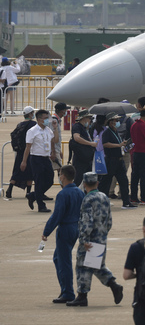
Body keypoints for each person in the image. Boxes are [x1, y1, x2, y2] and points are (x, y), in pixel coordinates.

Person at [67, 172, 124, 307]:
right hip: (101, 237)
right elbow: (109, 220)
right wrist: (104, 233)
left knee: (82, 266)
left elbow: (87, 221)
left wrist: (84, 239)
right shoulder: (104, 197)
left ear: (84, 184)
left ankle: (82, 295)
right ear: (97, 183)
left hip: (90, 239)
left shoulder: (87, 200)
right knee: (96, 265)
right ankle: (114, 285)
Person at [41, 165, 85, 303]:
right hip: (76, 227)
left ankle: (68, 292)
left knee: (64, 261)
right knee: (58, 258)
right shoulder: (80, 192)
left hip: (65, 228)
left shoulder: (62, 194)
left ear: (62, 177)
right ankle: (65, 289)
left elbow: (57, 215)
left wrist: (46, 231)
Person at [99, 112, 135, 209]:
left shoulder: (116, 132)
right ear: (110, 122)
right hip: (111, 160)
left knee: (124, 181)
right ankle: (102, 202)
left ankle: (126, 202)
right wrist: (118, 145)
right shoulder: (107, 132)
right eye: (115, 120)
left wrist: (124, 144)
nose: (117, 122)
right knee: (106, 183)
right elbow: (105, 144)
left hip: (119, 160)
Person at [21, 109, 54, 213]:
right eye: (45, 118)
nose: (47, 120)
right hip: (36, 158)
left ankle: (33, 195)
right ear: (39, 119)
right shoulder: (32, 131)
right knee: (39, 182)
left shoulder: (48, 130)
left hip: (46, 158)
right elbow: (28, 147)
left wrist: (53, 152)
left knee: (49, 180)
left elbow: (53, 141)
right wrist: (24, 161)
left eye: (47, 118)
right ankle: (41, 205)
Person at [4, 106, 36, 200]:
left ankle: (9, 190)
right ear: (30, 114)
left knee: (17, 171)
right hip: (29, 151)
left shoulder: (20, 124)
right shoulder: (33, 124)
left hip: (20, 152)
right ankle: (28, 192)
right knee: (30, 173)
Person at [70, 110, 97, 186]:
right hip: (80, 158)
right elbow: (76, 138)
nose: (90, 120)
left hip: (87, 158)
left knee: (88, 178)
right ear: (84, 118)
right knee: (78, 178)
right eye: (89, 118)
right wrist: (90, 143)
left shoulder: (85, 128)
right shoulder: (77, 126)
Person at [50, 102, 69, 171]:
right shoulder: (54, 120)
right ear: (62, 111)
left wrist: (59, 150)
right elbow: (52, 138)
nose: (66, 112)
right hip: (53, 150)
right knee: (60, 170)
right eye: (65, 110)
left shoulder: (57, 120)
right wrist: (53, 152)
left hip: (55, 149)